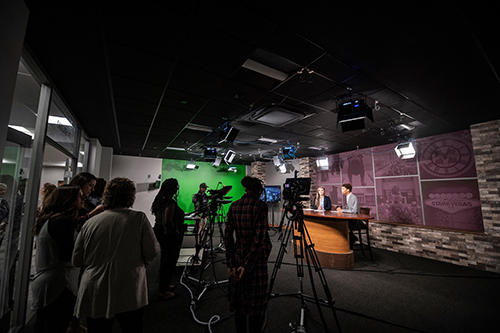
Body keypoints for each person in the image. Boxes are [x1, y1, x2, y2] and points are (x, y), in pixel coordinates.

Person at [73, 177, 159, 332]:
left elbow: (77, 259)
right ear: (131, 196)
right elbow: (152, 251)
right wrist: (141, 262)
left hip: (95, 288)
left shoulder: (90, 223)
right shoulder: (138, 218)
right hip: (129, 286)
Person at [30, 185, 85, 333]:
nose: (84, 198)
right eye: (79, 196)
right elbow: (68, 255)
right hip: (59, 285)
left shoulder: (51, 219)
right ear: (68, 200)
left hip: (50, 284)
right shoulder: (63, 222)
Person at [224, 176, 272, 333]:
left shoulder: (233, 206)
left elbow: (227, 238)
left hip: (237, 256)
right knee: (255, 309)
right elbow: (259, 240)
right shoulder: (260, 206)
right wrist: (247, 266)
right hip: (255, 262)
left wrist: (231, 264)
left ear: (246, 189)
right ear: (258, 191)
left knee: (239, 306)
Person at [151, 178, 185, 300]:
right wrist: (176, 233)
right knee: (168, 260)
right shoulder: (169, 203)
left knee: (166, 259)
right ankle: (163, 290)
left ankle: (165, 285)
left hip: (159, 231)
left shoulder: (160, 200)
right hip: (168, 235)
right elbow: (168, 222)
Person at [336, 183, 361, 248]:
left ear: (348, 190)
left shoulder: (353, 197)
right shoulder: (347, 197)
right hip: (350, 219)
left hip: (355, 220)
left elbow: (354, 211)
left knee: (343, 225)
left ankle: (351, 240)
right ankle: (349, 240)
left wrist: (343, 211)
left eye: (343, 189)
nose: (341, 190)